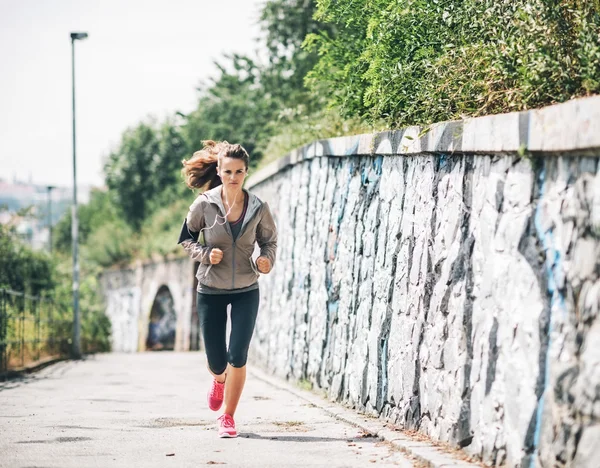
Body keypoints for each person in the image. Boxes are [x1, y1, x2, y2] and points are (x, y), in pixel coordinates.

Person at [178, 140, 277, 438]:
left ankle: (228, 417)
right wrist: (205, 255)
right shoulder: (204, 204)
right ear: (219, 171)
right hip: (210, 288)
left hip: (247, 287)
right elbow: (186, 238)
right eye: (228, 171)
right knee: (217, 360)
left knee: (238, 354)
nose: (234, 177)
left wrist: (266, 260)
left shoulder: (258, 207)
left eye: (239, 172)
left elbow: (269, 242)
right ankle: (218, 379)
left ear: (246, 172)